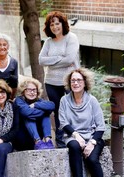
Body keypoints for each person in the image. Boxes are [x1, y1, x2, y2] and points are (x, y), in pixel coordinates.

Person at [58, 68, 106, 177]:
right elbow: (63, 122)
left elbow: (101, 126)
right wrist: (76, 135)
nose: (76, 83)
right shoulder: (64, 100)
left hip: (93, 137)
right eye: (73, 80)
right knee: (73, 146)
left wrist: (91, 143)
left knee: (92, 159)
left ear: (85, 83)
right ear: (69, 83)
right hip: (72, 137)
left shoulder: (92, 100)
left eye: (79, 80)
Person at [39, 11, 80, 148]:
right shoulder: (49, 42)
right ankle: (61, 143)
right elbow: (41, 60)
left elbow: (70, 58)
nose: (55, 27)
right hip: (51, 81)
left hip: (70, 81)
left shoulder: (71, 38)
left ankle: (76, 138)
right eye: (52, 24)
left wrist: (51, 61)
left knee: (72, 109)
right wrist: (59, 59)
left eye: (57, 23)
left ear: (63, 24)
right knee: (57, 112)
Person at [14, 77, 55, 151]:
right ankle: (37, 141)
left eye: (34, 90)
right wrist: (44, 110)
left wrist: (36, 105)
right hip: (22, 138)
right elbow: (27, 113)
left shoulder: (38, 100)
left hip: (38, 136)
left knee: (45, 114)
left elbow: (52, 105)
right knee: (30, 116)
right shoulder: (19, 100)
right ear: (23, 91)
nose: (32, 92)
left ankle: (48, 141)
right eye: (29, 90)